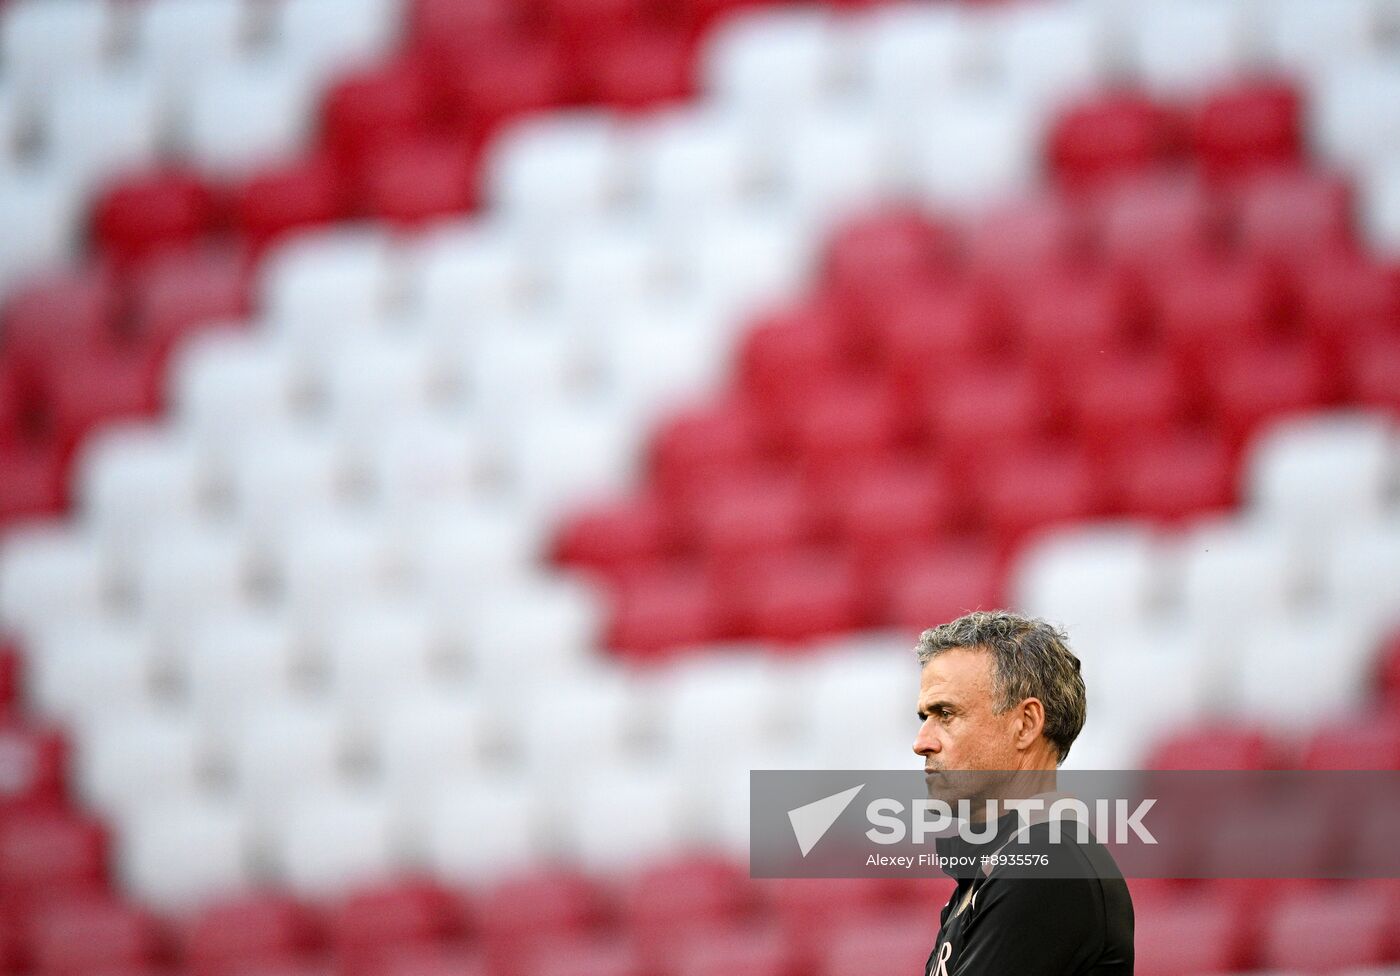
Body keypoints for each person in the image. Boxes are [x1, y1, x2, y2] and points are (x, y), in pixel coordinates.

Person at [913, 610, 1133, 975]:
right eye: (925, 718)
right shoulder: (1004, 864)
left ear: (1026, 724)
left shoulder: (1047, 865)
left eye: (946, 713)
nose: (922, 743)